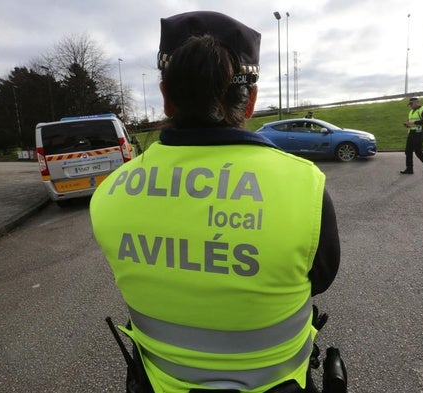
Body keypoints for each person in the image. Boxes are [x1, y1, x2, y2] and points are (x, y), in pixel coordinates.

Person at [90, 11, 341, 393]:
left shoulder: (110, 194)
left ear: (165, 98)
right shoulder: (304, 186)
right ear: (251, 99)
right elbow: (318, 282)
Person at [400, 97, 423, 174]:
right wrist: (407, 125)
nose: (410, 106)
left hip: (420, 133)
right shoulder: (411, 111)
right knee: (408, 151)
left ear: (416, 102)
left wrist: (413, 123)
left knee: (418, 151)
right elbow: (411, 122)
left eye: (411, 104)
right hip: (412, 132)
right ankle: (409, 169)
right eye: (410, 104)